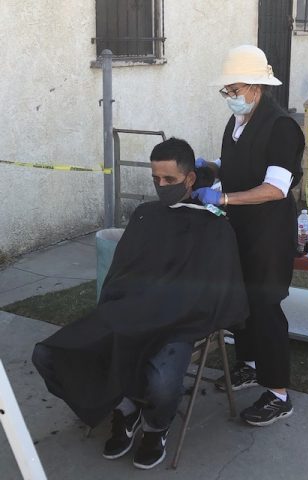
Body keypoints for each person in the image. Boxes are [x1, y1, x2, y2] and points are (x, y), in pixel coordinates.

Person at [32, 137, 249, 470]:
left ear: (190, 179)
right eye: (155, 179)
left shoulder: (214, 225)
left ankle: (155, 427)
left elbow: (216, 289)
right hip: (129, 313)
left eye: (169, 180)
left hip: (178, 320)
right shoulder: (146, 215)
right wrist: (123, 306)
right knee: (52, 354)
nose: (161, 186)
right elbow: (121, 273)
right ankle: (125, 408)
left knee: (161, 381)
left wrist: (173, 310)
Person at [192, 45, 305, 427]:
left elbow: (275, 187)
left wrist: (223, 196)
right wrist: (208, 167)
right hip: (238, 227)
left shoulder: (281, 127)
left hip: (269, 233)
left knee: (266, 306)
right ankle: (250, 364)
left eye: (234, 88)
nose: (230, 96)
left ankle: (278, 392)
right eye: (226, 90)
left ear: (257, 87)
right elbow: (237, 164)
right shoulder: (236, 123)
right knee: (241, 300)